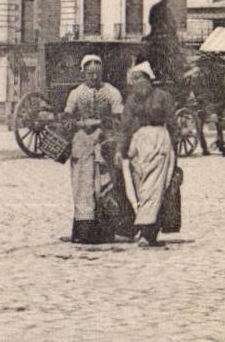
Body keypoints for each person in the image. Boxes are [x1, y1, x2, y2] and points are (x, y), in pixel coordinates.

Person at [63, 53, 124, 245]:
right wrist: (77, 123)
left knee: (104, 185)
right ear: (83, 73)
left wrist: (99, 123)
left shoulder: (111, 92)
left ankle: (105, 231)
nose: (94, 77)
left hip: (104, 143)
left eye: (97, 73)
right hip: (81, 145)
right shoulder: (76, 93)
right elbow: (66, 117)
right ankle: (83, 231)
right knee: (82, 186)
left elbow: (118, 118)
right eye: (90, 73)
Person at [118, 62, 179, 246]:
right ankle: (140, 227)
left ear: (148, 79)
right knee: (139, 187)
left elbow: (173, 122)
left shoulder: (162, 96)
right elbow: (125, 125)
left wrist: (175, 149)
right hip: (138, 143)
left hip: (159, 140)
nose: (136, 83)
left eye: (139, 78)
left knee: (154, 188)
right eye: (133, 79)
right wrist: (121, 149)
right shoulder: (131, 100)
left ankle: (148, 232)